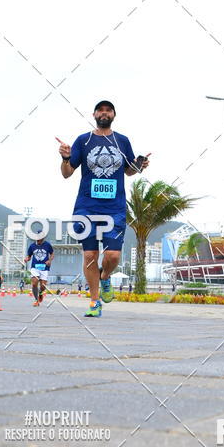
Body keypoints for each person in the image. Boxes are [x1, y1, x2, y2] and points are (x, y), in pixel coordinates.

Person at [58, 100, 149, 317]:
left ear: (114, 115)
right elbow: (67, 173)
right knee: (90, 254)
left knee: (113, 256)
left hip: (114, 208)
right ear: (94, 114)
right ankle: (94, 302)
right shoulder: (83, 140)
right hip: (86, 207)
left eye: (108, 110)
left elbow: (128, 171)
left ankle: (105, 277)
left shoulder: (122, 141)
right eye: (100, 110)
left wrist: (139, 166)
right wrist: (65, 158)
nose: (104, 113)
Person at [23, 226, 54, 307]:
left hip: (44, 268)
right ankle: (36, 300)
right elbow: (29, 256)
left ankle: (40, 293)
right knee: (34, 284)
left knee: (43, 286)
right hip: (35, 267)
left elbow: (52, 254)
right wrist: (27, 259)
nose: (38, 239)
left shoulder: (47, 245)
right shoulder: (32, 246)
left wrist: (49, 260)